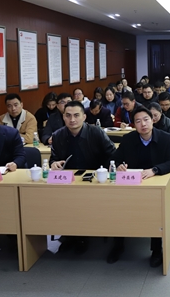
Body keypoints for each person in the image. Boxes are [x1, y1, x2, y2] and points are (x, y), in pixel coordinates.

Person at [108, 106, 170, 268]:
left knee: (160, 206)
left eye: (146, 120)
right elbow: (114, 158)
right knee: (116, 203)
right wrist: (118, 166)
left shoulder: (165, 138)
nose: (143, 124)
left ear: (153, 120)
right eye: (138, 121)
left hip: (160, 182)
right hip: (133, 184)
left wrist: (155, 170)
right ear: (133, 124)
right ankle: (118, 244)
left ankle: (157, 249)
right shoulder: (128, 139)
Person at [50, 100, 117, 255]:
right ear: (63, 117)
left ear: (84, 117)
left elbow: (113, 153)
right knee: (63, 201)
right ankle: (69, 235)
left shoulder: (96, 132)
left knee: (82, 201)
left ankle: (82, 236)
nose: (72, 119)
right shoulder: (58, 135)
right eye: (68, 116)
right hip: (68, 182)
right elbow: (54, 159)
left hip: (95, 180)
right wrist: (54, 164)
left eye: (76, 115)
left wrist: (104, 171)